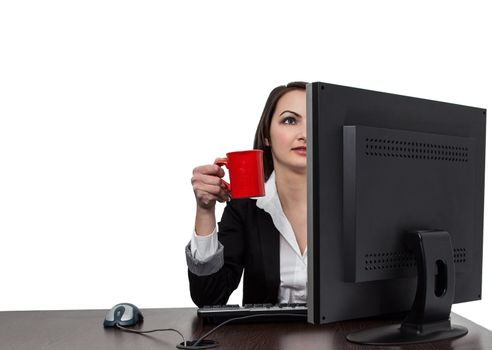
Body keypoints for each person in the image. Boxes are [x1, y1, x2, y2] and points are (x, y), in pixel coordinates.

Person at [186, 82, 308, 307]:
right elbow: (209, 297)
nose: (305, 134)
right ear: (267, 136)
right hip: (266, 338)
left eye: (315, 121)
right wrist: (205, 210)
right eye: (290, 120)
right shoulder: (245, 207)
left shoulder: (356, 202)